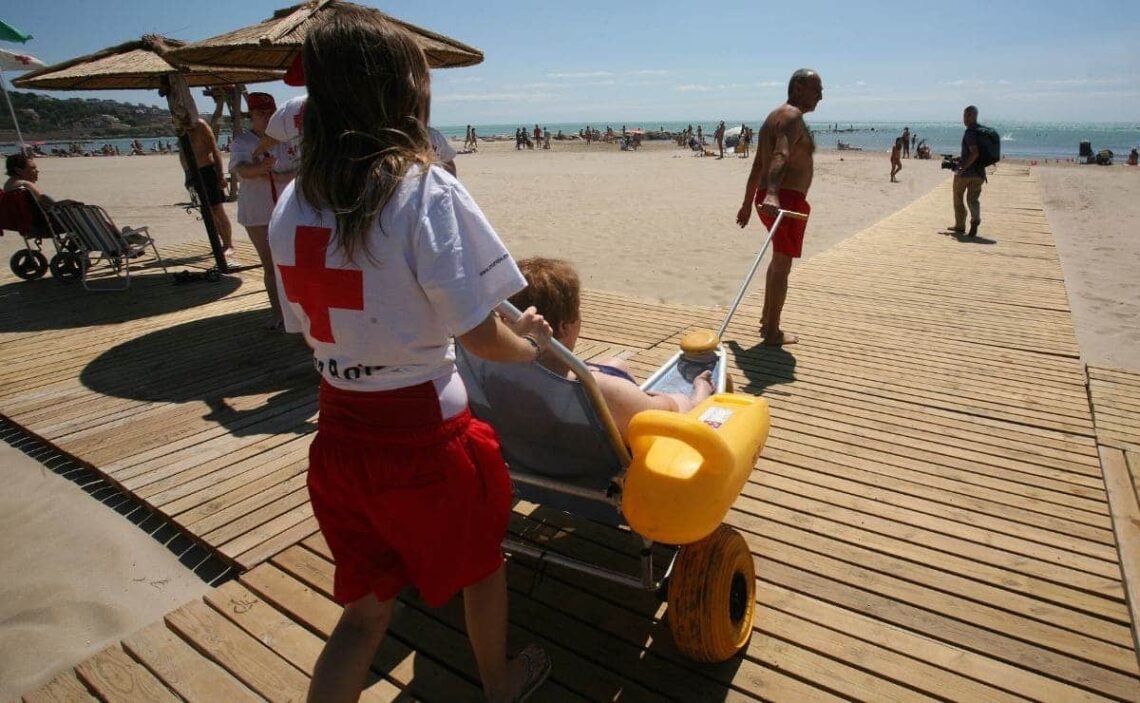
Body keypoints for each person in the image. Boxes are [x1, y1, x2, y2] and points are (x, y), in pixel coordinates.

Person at [266, 9, 553, 703]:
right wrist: (532, 346)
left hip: (337, 437)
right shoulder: (422, 189)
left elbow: (307, 324)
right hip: (429, 441)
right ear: (403, 92)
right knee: (481, 569)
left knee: (364, 615)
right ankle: (499, 683)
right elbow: (482, 335)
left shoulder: (291, 205)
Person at [509, 258, 713, 441]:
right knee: (677, 401)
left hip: (531, 460)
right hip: (593, 474)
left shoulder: (494, 373)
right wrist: (696, 395)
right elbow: (671, 416)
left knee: (615, 364)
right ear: (564, 326)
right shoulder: (595, 389)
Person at [735, 68, 823, 346]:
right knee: (782, 264)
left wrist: (749, 203)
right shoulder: (792, 117)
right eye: (816, 88)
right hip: (783, 199)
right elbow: (779, 155)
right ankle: (773, 331)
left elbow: (758, 163)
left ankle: (767, 321)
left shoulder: (773, 118)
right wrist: (772, 193)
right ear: (798, 87)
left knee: (778, 261)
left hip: (772, 197)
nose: (821, 95)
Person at [229, 92, 297, 330]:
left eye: (270, 113)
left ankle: (299, 312)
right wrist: (260, 168)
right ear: (252, 116)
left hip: (289, 211)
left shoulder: (288, 139)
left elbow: (304, 166)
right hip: (258, 213)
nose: (266, 117)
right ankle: (278, 313)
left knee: (294, 263)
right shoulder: (243, 142)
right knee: (270, 265)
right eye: (260, 113)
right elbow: (240, 169)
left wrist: (286, 175)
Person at [180, 117, 235, 257]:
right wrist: (187, 176)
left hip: (207, 171)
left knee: (216, 209)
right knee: (207, 212)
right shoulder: (180, 126)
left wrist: (220, 175)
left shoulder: (199, 124)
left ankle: (228, 244)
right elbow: (183, 154)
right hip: (192, 173)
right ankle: (218, 243)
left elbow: (214, 150)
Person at [951, 105, 986, 237]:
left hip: (966, 174)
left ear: (971, 116)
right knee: (973, 199)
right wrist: (961, 157)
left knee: (958, 197)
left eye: (965, 115)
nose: (964, 118)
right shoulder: (981, 132)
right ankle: (975, 220)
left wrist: (962, 167)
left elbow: (974, 153)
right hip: (979, 173)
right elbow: (978, 153)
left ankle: (960, 225)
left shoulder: (970, 132)